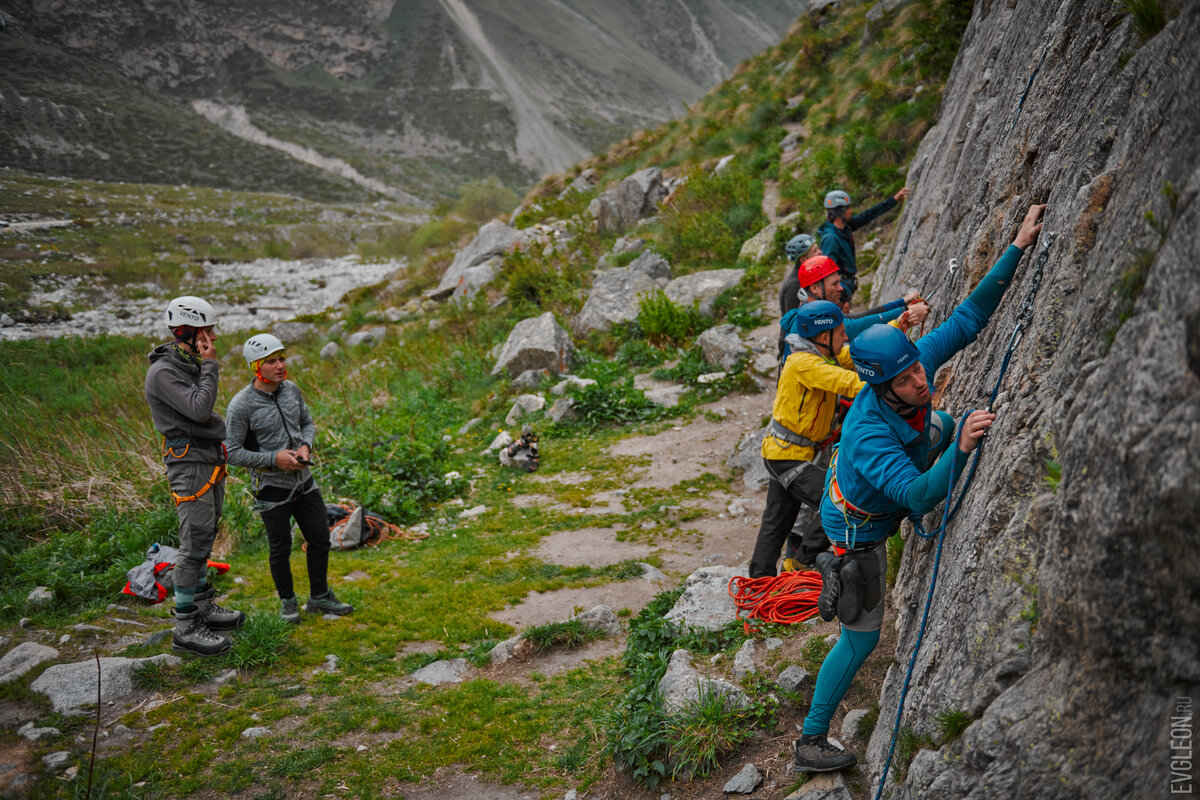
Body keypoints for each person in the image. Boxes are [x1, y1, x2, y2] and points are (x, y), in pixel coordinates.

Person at [791, 204, 1047, 773]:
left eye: (918, 370)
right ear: (882, 385)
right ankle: (810, 739)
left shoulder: (904, 368)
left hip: (886, 487)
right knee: (861, 637)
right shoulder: (865, 433)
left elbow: (965, 322)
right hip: (858, 525)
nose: (921, 380)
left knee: (944, 422)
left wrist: (1018, 246)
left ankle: (944, 447)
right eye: (908, 379)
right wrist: (957, 458)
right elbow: (914, 498)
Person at [224, 333, 354, 623]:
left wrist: (306, 444)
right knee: (280, 548)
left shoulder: (291, 390)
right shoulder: (241, 405)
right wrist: (275, 459)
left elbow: (307, 423)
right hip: (271, 489)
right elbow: (230, 452)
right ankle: (288, 603)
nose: (280, 365)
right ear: (256, 366)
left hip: (305, 482)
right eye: (271, 361)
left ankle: (319, 598)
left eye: (282, 358)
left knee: (320, 539)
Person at [145, 296, 244, 656]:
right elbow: (200, 410)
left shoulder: (185, 364)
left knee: (206, 535)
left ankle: (203, 608)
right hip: (188, 463)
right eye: (208, 332)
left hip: (205, 458)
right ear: (189, 332)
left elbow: (200, 412)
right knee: (194, 543)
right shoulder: (164, 371)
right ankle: (185, 626)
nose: (213, 338)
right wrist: (211, 365)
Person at [750, 301, 865, 578]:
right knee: (840, 501)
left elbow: (850, 356)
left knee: (777, 522)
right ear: (824, 338)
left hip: (784, 452)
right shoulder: (805, 363)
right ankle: (802, 562)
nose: (845, 337)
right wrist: (891, 390)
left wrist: (900, 323)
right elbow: (845, 382)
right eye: (840, 332)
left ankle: (758, 583)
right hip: (787, 455)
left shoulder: (819, 354)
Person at [779, 255, 931, 368]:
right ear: (815, 288)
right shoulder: (813, 320)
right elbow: (857, 326)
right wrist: (905, 313)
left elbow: (857, 318)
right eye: (835, 283)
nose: (841, 288)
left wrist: (902, 304)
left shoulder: (809, 311)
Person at [818, 187, 910, 299]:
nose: (851, 211)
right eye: (848, 208)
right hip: (840, 291)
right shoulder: (830, 239)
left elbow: (867, 215)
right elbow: (828, 272)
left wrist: (893, 200)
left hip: (846, 287)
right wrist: (841, 299)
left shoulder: (845, 227)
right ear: (839, 212)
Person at [778, 234, 822, 317]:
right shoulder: (794, 284)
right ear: (803, 260)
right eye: (815, 250)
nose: (820, 252)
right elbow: (791, 319)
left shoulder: (807, 276)